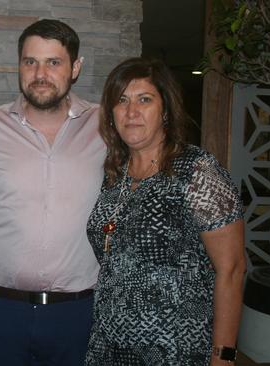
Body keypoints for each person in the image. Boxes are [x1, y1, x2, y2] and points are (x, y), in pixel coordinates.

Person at [84, 57, 246, 365]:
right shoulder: (114, 175)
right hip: (108, 346)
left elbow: (233, 269)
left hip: (176, 349)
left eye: (144, 100)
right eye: (122, 101)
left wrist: (223, 357)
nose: (131, 112)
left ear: (166, 111)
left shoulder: (196, 171)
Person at [0, 19, 106, 366]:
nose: (40, 73)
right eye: (30, 62)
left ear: (75, 68)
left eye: (53, 62)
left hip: (77, 313)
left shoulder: (104, 125)